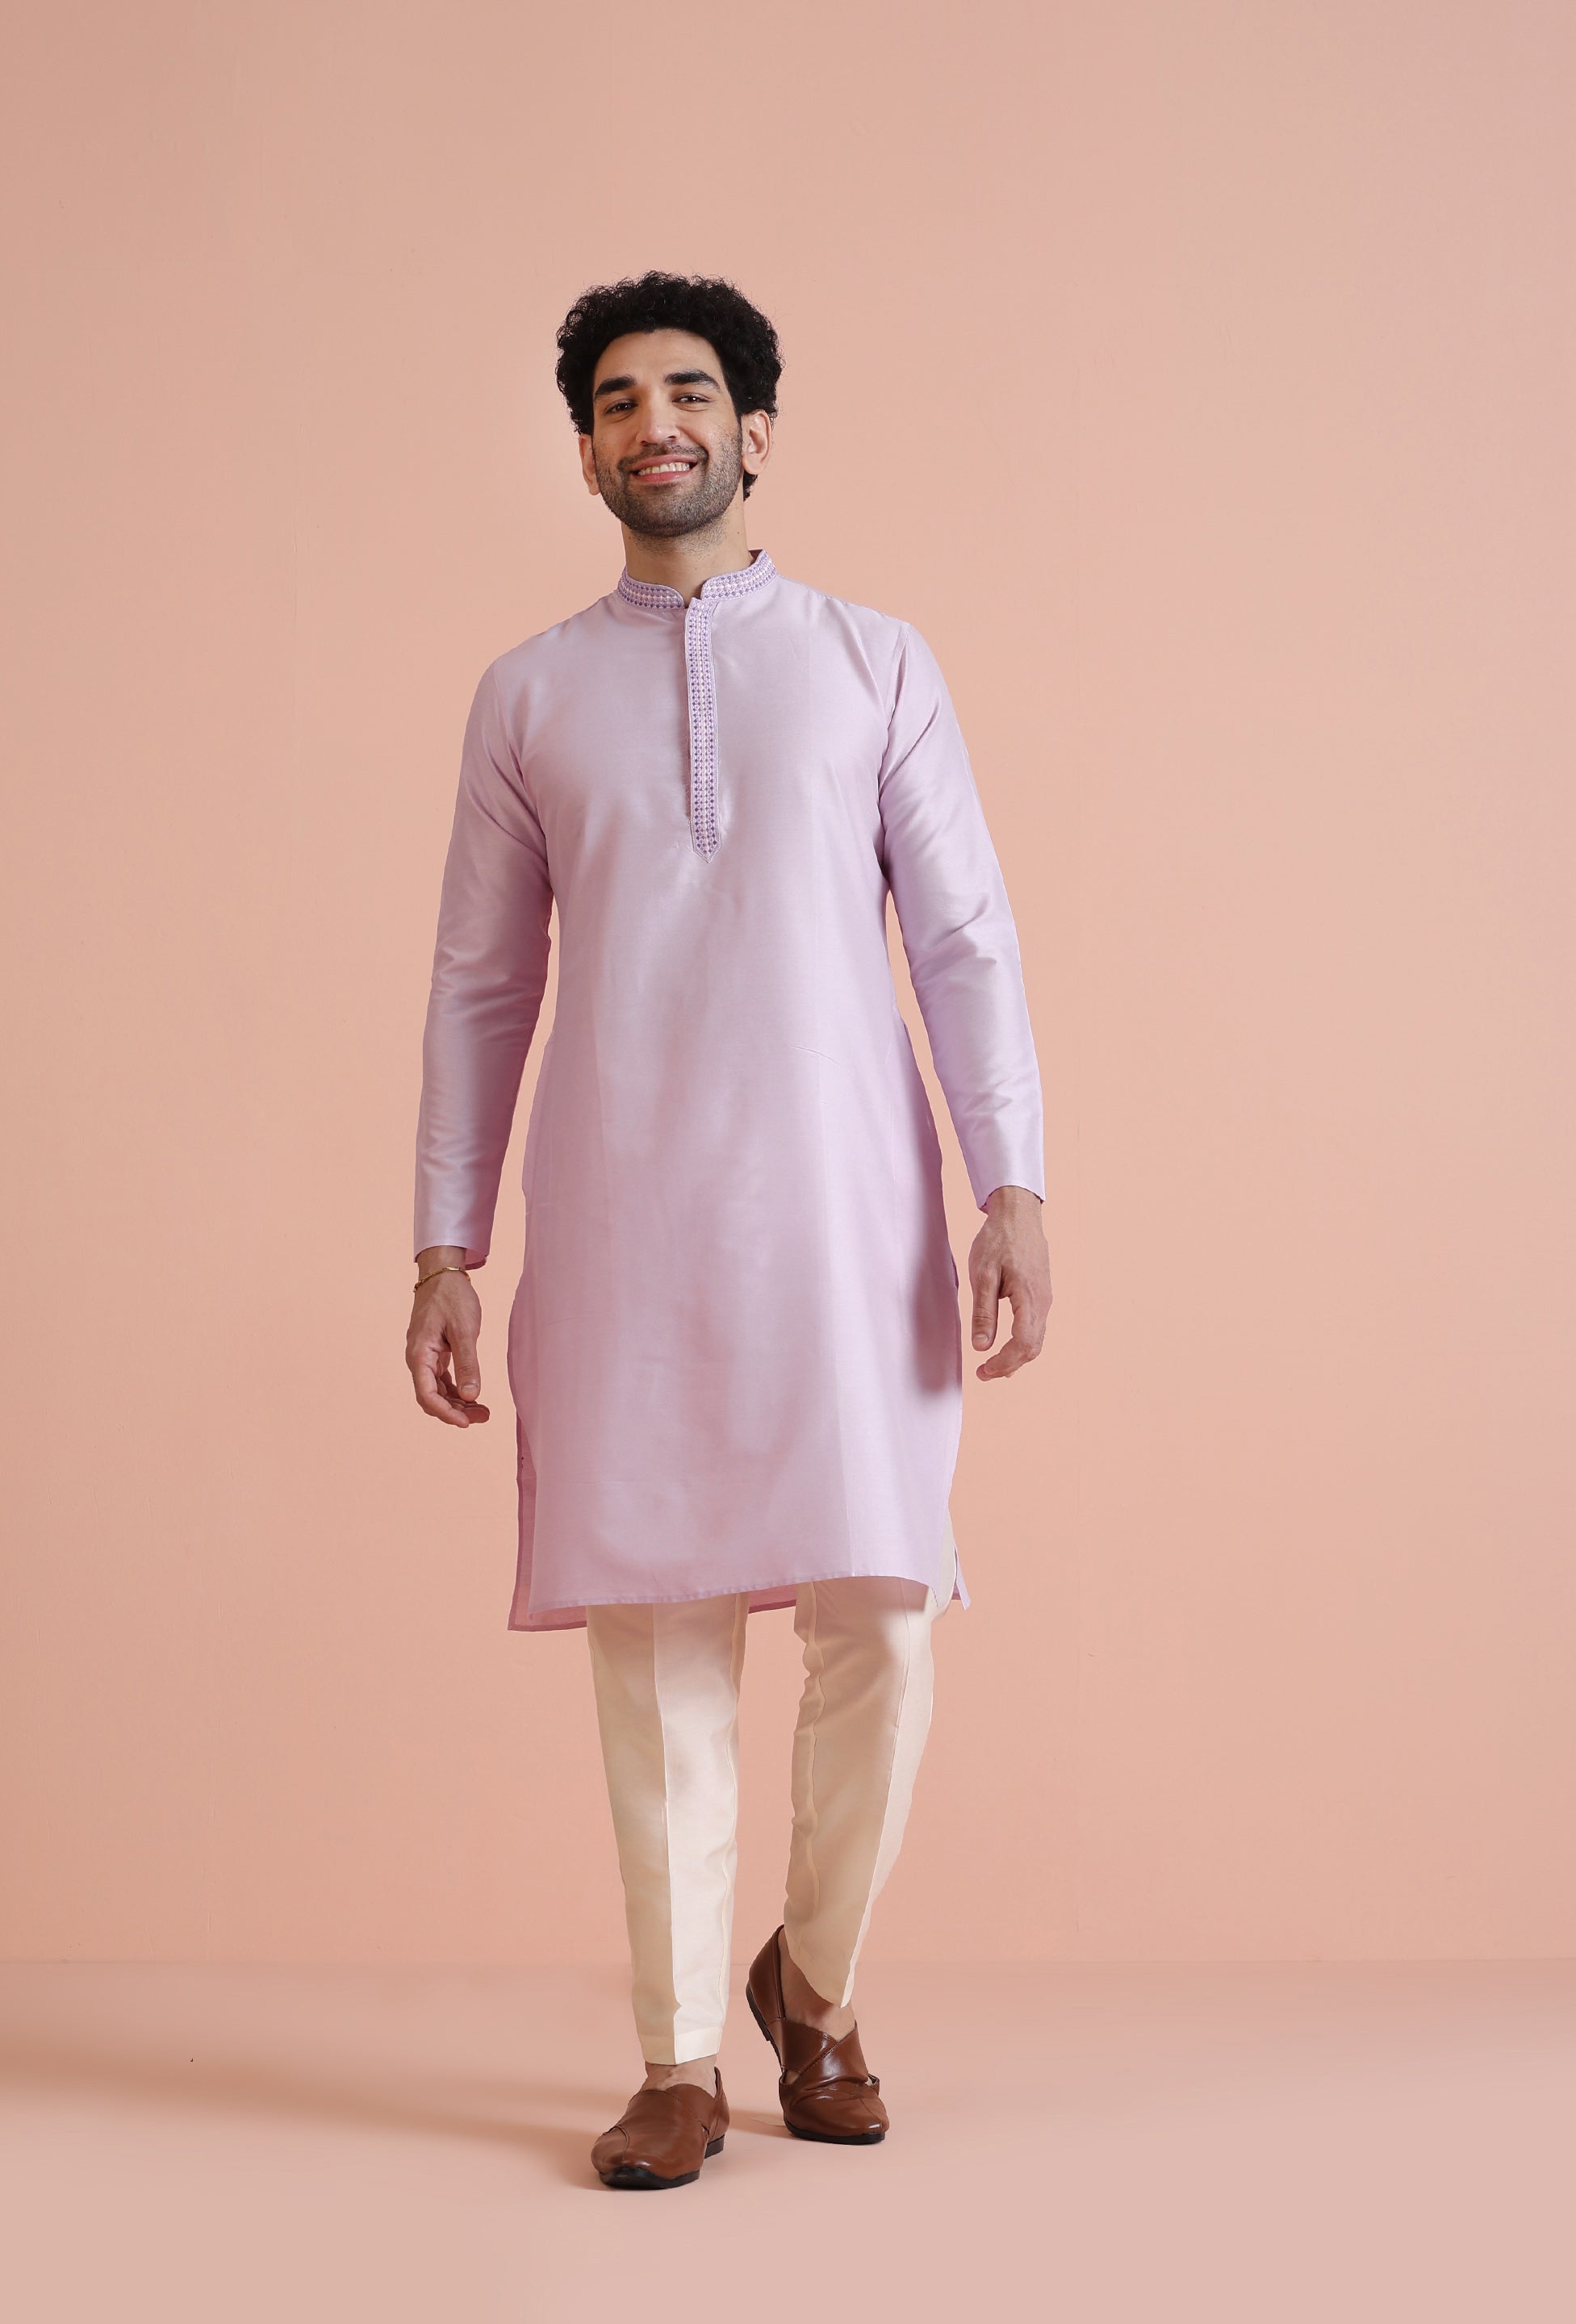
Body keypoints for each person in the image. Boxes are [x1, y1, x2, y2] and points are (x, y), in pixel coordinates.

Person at [405, 270, 1051, 2191]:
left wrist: (1012, 1185)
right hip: (625, 1222)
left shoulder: (873, 665)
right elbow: (478, 985)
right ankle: (679, 2055)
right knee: (658, 1630)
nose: (653, 425)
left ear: (756, 432)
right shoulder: (528, 696)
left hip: (853, 1216)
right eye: (615, 402)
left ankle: (815, 1989)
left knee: (886, 1622)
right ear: (586, 451)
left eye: (688, 392)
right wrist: (445, 1243)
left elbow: (965, 940)